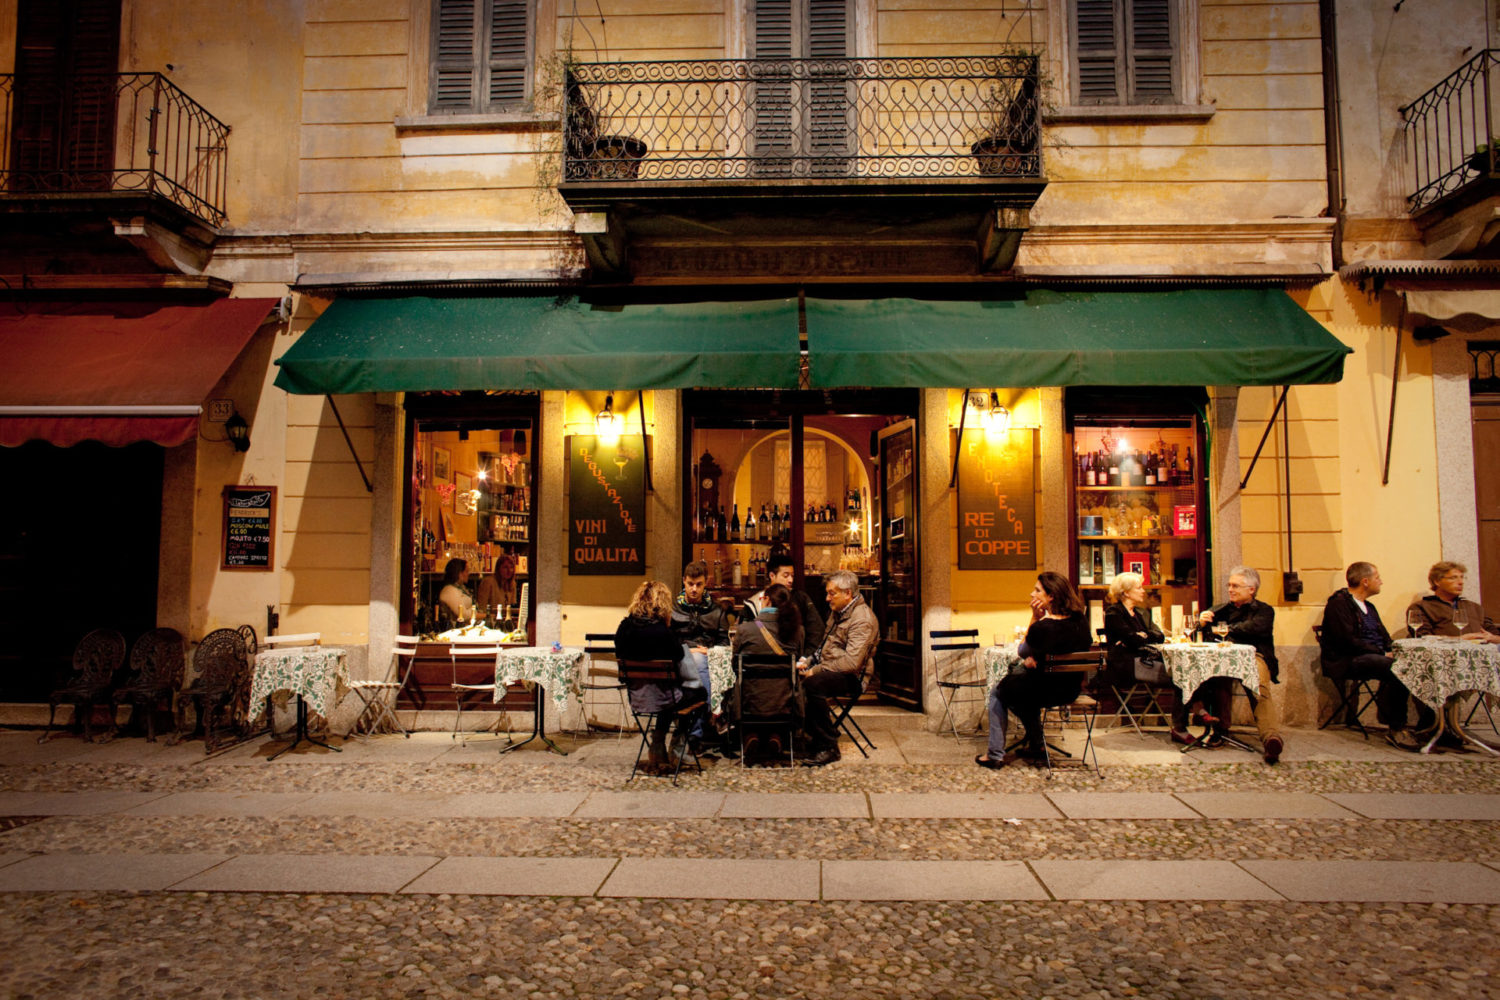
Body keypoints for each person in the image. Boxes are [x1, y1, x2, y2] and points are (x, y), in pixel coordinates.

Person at [976, 572, 1092, 769]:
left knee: (998, 691)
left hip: (1043, 690)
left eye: (1037, 590)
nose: (1032, 594)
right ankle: (1037, 745)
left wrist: (1034, 618)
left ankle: (994, 754)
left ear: (1051, 596)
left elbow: (1022, 651)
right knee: (1020, 694)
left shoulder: (1043, 627)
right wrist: (1037, 657)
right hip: (1070, 691)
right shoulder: (1080, 621)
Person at [1319, 561, 1435, 750]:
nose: (1381, 582)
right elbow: (1347, 641)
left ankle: (1430, 724)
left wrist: (1392, 649)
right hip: (1346, 660)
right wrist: (1381, 652)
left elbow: (1383, 635)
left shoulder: (1369, 607)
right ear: (1365, 581)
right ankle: (1397, 728)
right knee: (1397, 668)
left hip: (1372, 657)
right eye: (1377, 578)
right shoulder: (1339, 604)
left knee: (1419, 665)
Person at [615, 580, 704, 775]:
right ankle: (676, 745)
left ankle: (657, 743)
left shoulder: (624, 628)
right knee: (699, 694)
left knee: (665, 692)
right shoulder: (663, 632)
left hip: (637, 699)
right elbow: (681, 664)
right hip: (665, 699)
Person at [1198, 566, 1285, 765]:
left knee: (1259, 688)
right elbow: (1203, 633)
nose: (1230, 589)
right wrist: (1201, 623)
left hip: (1254, 655)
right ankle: (1220, 731)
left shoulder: (1264, 610)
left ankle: (1271, 738)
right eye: (1229, 585)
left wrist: (1225, 629)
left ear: (1251, 589)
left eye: (1236, 586)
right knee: (1217, 682)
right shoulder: (1219, 610)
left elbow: (1256, 628)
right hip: (1223, 658)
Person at [1102, 572, 1199, 744]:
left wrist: (1142, 635)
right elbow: (1131, 640)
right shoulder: (1113, 613)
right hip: (1126, 665)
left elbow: (1159, 635)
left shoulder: (1141, 612)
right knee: (1180, 676)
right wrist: (1140, 637)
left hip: (1146, 660)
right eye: (1138, 588)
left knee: (1186, 671)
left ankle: (1196, 713)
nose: (1143, 591)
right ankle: (1181, 726)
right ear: (1125, 592)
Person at [796, 569, 877, 767]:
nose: (827, 598)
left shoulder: (862, 619)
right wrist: (807, 661)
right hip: (832, 668)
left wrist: (816, 670)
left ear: (847, 593)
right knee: (795, 679)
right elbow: (825, 646)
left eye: (832, 593)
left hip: (854, 677)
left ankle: (828, 746)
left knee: (813, 684)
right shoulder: (838, 612)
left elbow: (852, 663)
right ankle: (812, 735)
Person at [731, 583, 805, 757]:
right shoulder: (798, 631)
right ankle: (776, 736)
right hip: (784, 703)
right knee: (778, 691)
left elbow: (735, 666)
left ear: (766, 600)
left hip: (750, 702)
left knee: (750, 689)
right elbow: (797, 662)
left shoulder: (744, 630)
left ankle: (751, 735)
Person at [745, 552, 825, 656]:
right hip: (761, 659)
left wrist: (806, 657)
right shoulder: (754, 602)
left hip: (793, 660)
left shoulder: (800, 598)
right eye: (785, 576)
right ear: (772, 576)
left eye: (792, 576)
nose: (790, 580)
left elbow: (817, 631)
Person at [1407, 561, 1500, 642]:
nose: (1460, 582)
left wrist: (1493, 638)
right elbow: (1422, 638)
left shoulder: (1474, 607)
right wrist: (1460, 639)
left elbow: (1495, 634)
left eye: (1462, 577)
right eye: (1453, 578)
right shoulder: (1422, 607)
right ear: (1437, 582)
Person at [475, 553, 519, 619]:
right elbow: (481, 608)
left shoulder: (512, 584)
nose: (509, 571)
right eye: (505, 567)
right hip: (490, 621)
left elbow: (512, 608)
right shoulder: (488, 582)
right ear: (498, 569)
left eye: (511, 567)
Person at [437, 558, 473, 624]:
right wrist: (481, 614)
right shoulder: (449, 591)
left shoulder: (460, 588)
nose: (468, 574)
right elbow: (463, 614)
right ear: (459, 573)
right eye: (466, 571)